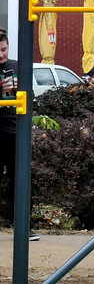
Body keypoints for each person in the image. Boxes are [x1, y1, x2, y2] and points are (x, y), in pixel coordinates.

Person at [0, 30, 37, 240]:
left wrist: (19, 89)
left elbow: (30, 97)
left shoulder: (16, 67)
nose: (1, 55)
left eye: (4, 49)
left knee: (20, 179)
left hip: (15, 132)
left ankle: (23, 226)